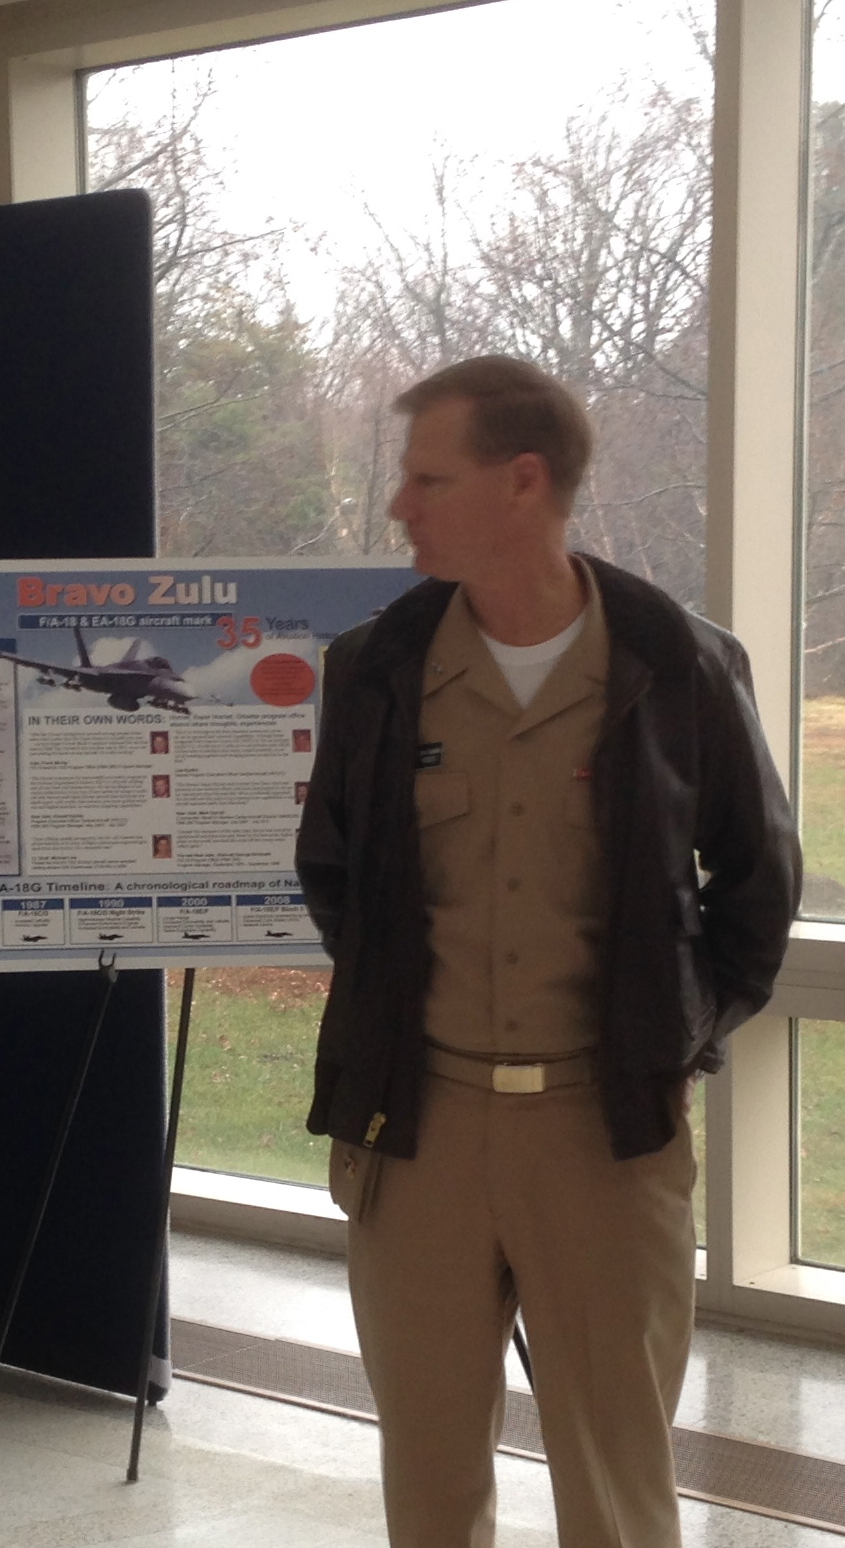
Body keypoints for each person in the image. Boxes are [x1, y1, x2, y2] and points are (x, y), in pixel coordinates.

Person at [296, 355, 798, 1547]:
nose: (399, 506)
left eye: (428, 479)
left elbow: (758, 883)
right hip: (416, 1134)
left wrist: (676, 1038)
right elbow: (336, 872)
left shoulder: (679, 665)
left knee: (617, 1488)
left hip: (606, 1139)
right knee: (428, 1488)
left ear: (524, 482)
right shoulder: (374, 669)